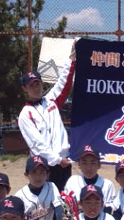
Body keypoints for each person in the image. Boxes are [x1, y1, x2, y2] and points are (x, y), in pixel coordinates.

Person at [18, 41, 76, 191]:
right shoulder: (25, 114)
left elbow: (64, 82)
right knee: (46, 202)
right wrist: (56, 159)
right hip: (44, 165)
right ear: (25, 88)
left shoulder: (51, 100)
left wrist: (72, 60)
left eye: (37, 84)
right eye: (31, 85)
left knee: (65, 201)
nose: (36, 88)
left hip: (63, 160)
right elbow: (36, 144)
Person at [64, 145, 116, 213]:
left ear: (99, 165)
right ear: (79, 165)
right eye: (84, 163)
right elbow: (65, 206)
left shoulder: (108, 184)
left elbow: (109, 209)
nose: (89, 167)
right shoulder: (72, 181)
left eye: (93, 163)